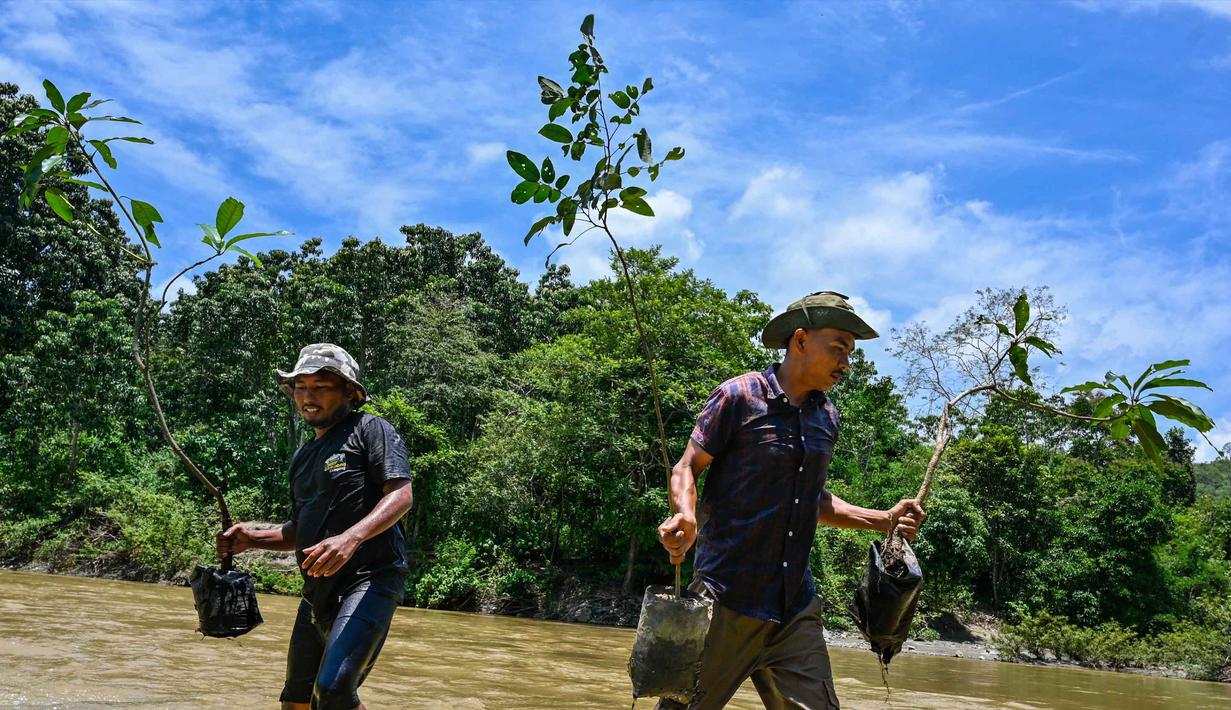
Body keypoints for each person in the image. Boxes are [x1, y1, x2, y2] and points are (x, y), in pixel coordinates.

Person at [656, 291, 926, 710]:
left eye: (850, 353)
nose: (846, 363)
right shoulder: (739, 396)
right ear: (800, 341)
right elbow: (686, 467)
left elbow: (812, 501)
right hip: (727, 601)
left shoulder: (826, 417)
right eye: (838, 349)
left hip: (794, 607)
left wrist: (884, 519)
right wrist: (686, 516)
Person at [216, 343, 413, 710]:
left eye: (321, 387)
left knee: (334, 691)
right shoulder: (303, 458)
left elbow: (401, 496)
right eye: (300, 387)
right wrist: (251, 539)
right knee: (296, 701)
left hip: (370, 580)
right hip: (316, 593)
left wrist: (351, 537)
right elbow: (298, 530)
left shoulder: (371, 430)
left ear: (350, 392)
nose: (308, 396)